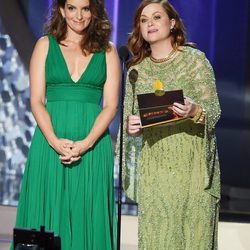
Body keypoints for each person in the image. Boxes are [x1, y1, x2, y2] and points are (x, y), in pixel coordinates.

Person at [12, 0, 119, 249]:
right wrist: (54, 141)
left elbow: (111, 106)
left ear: (94, 11)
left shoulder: (109, 51)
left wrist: (85, 144)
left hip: (92, 148)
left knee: (88, 215)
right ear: (61, 10)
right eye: (72, 8)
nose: (78, 15)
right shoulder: (44, 45)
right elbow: (37, 101)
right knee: (45, 216)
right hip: (49, 146)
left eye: (85, 8)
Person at [122, 0, 221, 249]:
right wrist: (131, 128)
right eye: (144, 20)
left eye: (156, 17)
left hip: (192, 170)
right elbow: (129, 122)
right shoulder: (136, 71)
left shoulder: (194, 61)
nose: (150, 24)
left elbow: (214, 111)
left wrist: (193, 110)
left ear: (172, 23)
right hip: (156, 172)